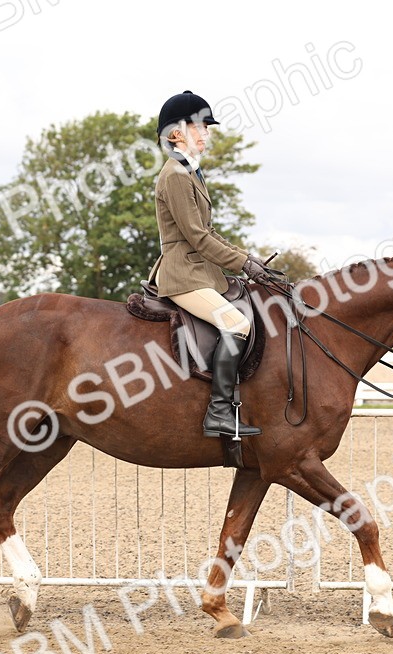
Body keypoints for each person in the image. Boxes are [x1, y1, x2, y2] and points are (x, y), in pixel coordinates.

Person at [150, 90, 270, 438]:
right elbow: (197, 237)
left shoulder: (190, 173)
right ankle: (218, 413)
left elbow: (210, 231)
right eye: (199, 127)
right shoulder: (174, 175)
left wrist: (247, 258)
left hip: (203, 272)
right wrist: (244, 266)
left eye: (207, 128)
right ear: (176, 134)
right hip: (183, 275)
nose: (206, 134)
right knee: (236, 324)